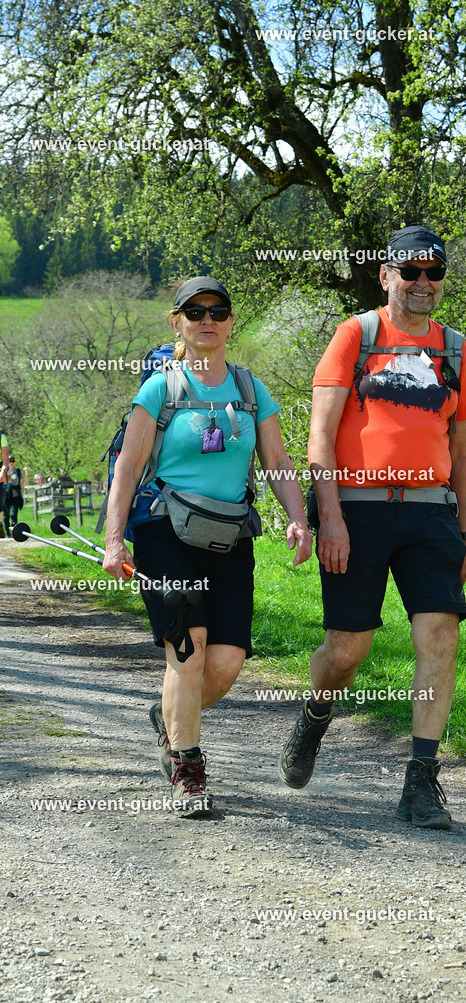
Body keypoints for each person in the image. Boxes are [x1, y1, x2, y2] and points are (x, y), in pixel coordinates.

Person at [278, 226, 466, 830]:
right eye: (410, 271)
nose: (422, 282)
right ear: (386, 275)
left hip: (430, 514)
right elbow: (319, 434)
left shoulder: (456, 349)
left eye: (433, 272)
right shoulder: (356, 336)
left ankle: (421, 783)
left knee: (439, 638)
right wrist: (329, 516)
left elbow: (463, 451)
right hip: (357, 511)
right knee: (346, 652)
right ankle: (315, 716)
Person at [103, 276, 312, 817]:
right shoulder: (160, 388)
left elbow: (278, 463)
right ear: (177, 322)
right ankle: (188, 771)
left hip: (228, 535)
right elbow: (127, 469)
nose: (207, 319)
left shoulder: (249, 390)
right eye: (194, 311)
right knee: (189, 649)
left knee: (225, 665)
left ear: (229, 322)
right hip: (163, 530)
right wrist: (113, 540)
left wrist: (298, 518)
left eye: (217, 310)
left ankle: (169, 714)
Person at [2, 456, 24, 534]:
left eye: (12, 461)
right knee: (6, 516)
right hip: (6, 496)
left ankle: (14, 532)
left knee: (13, 514)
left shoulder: (18, 471)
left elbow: (23, 484)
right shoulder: (3, 472)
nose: (11, 462)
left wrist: (27, 473)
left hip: (15, 496)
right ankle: (7, 533)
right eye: (9, 461)